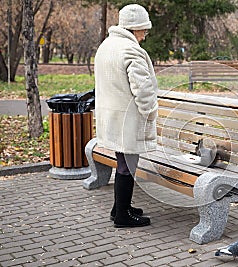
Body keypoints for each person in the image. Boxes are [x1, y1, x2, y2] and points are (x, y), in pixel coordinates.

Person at [94, 4, 158, 228]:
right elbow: (143, 89)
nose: (145, 35)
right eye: (144, 30)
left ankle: (120, 207)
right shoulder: (131, 50)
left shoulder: (107, 45)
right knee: (127, 166)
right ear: (135, 28)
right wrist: (150, 114)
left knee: (123, 161)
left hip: (111, 118)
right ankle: (122, 216)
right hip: (127, 120)